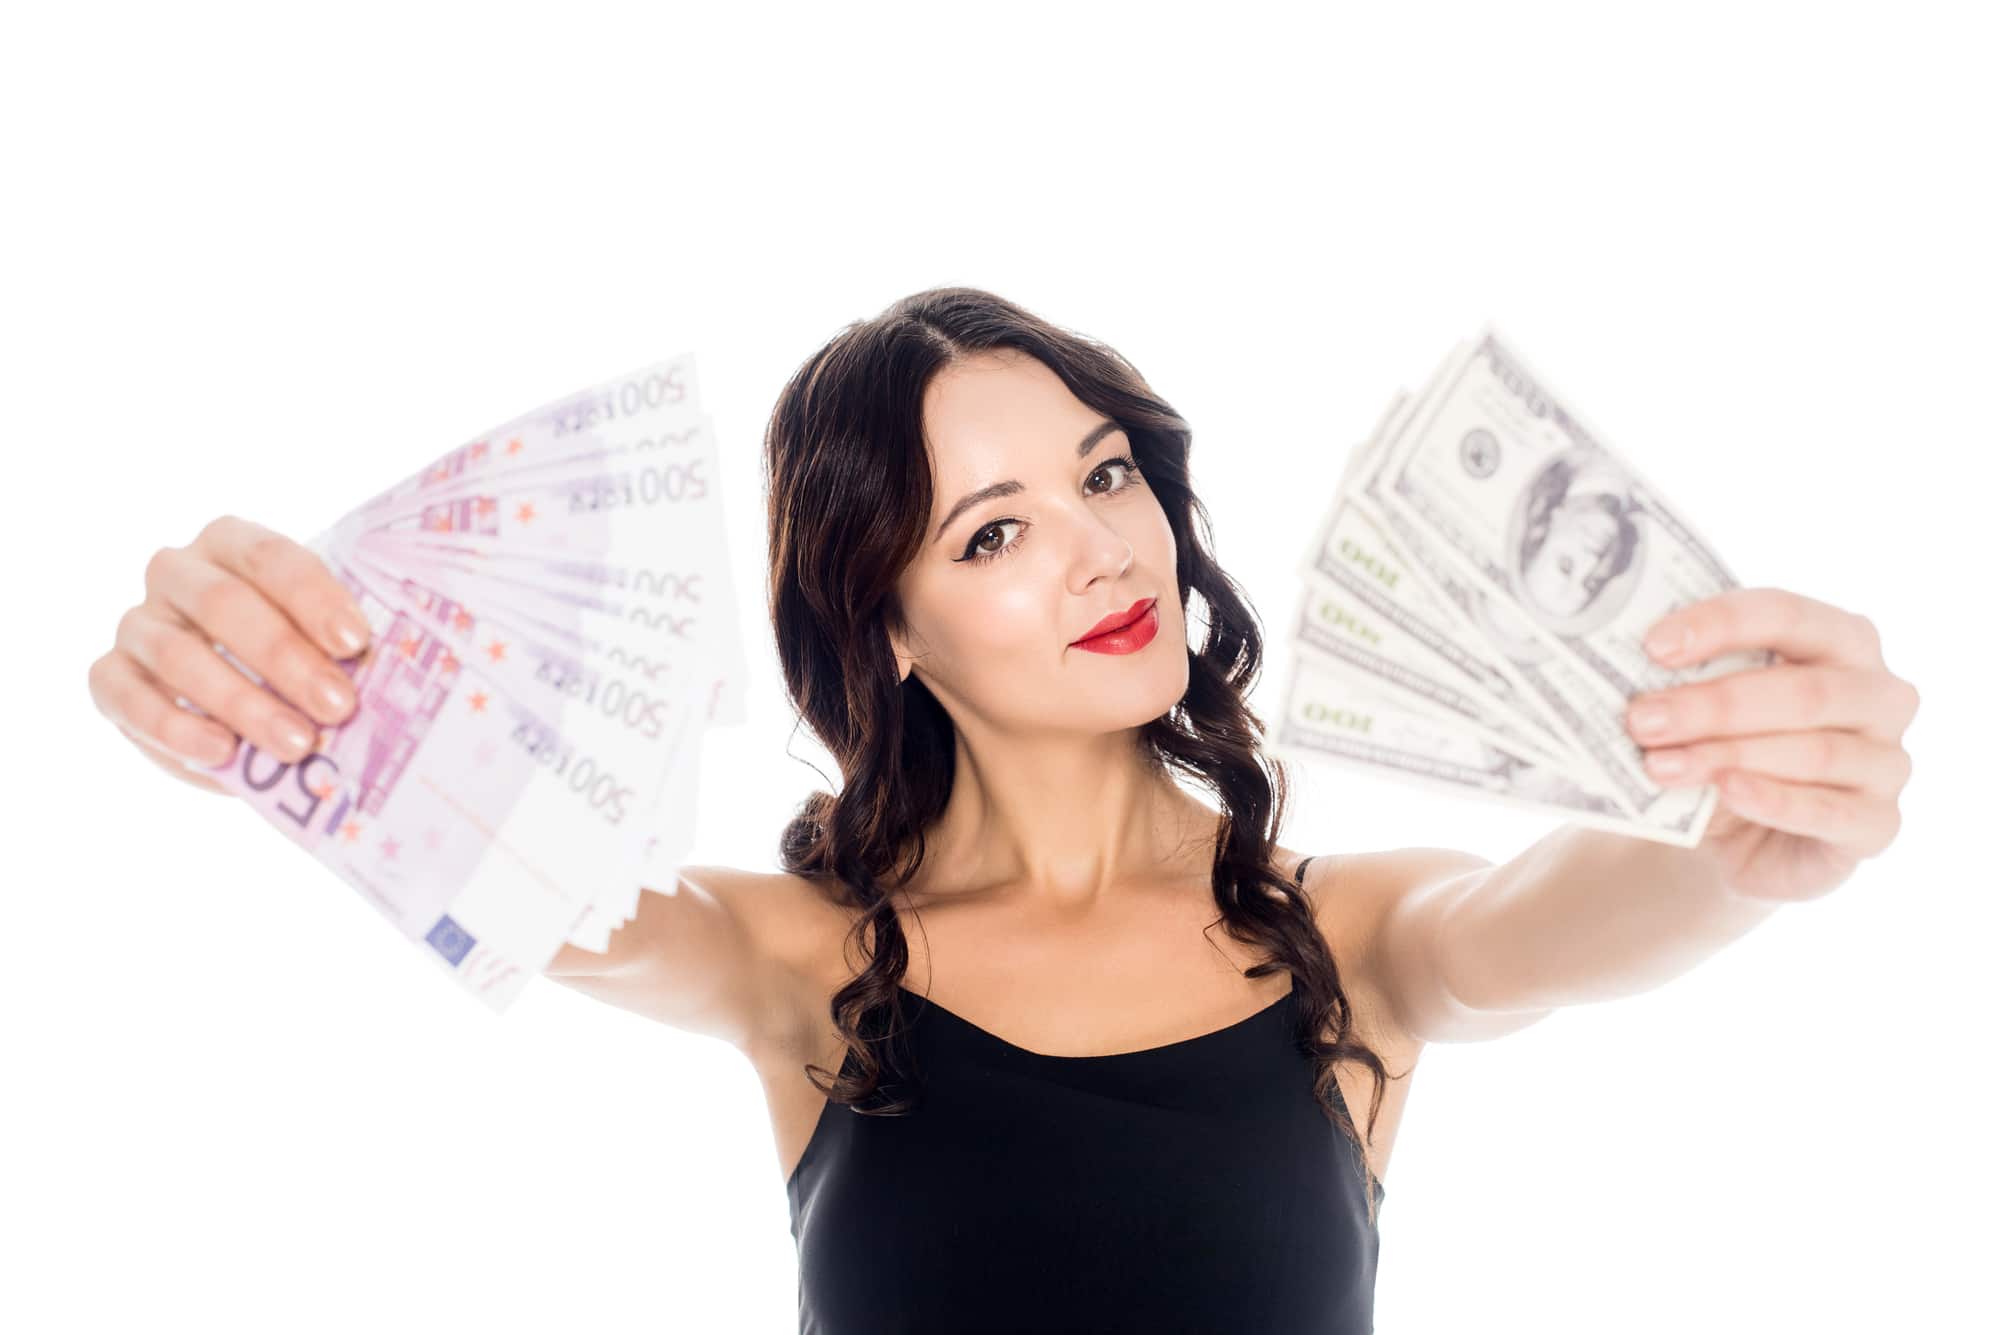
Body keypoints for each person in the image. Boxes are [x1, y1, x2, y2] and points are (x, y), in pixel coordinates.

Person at [88, 287, 1772, 1333]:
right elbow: (506, 863)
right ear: (885, 627)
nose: (1104, 549)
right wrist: (263, 703)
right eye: (992, 532)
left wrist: (1756, 852)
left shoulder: (1355, 942)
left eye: (1105, 476)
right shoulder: (800, 962)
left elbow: (1554, 919)